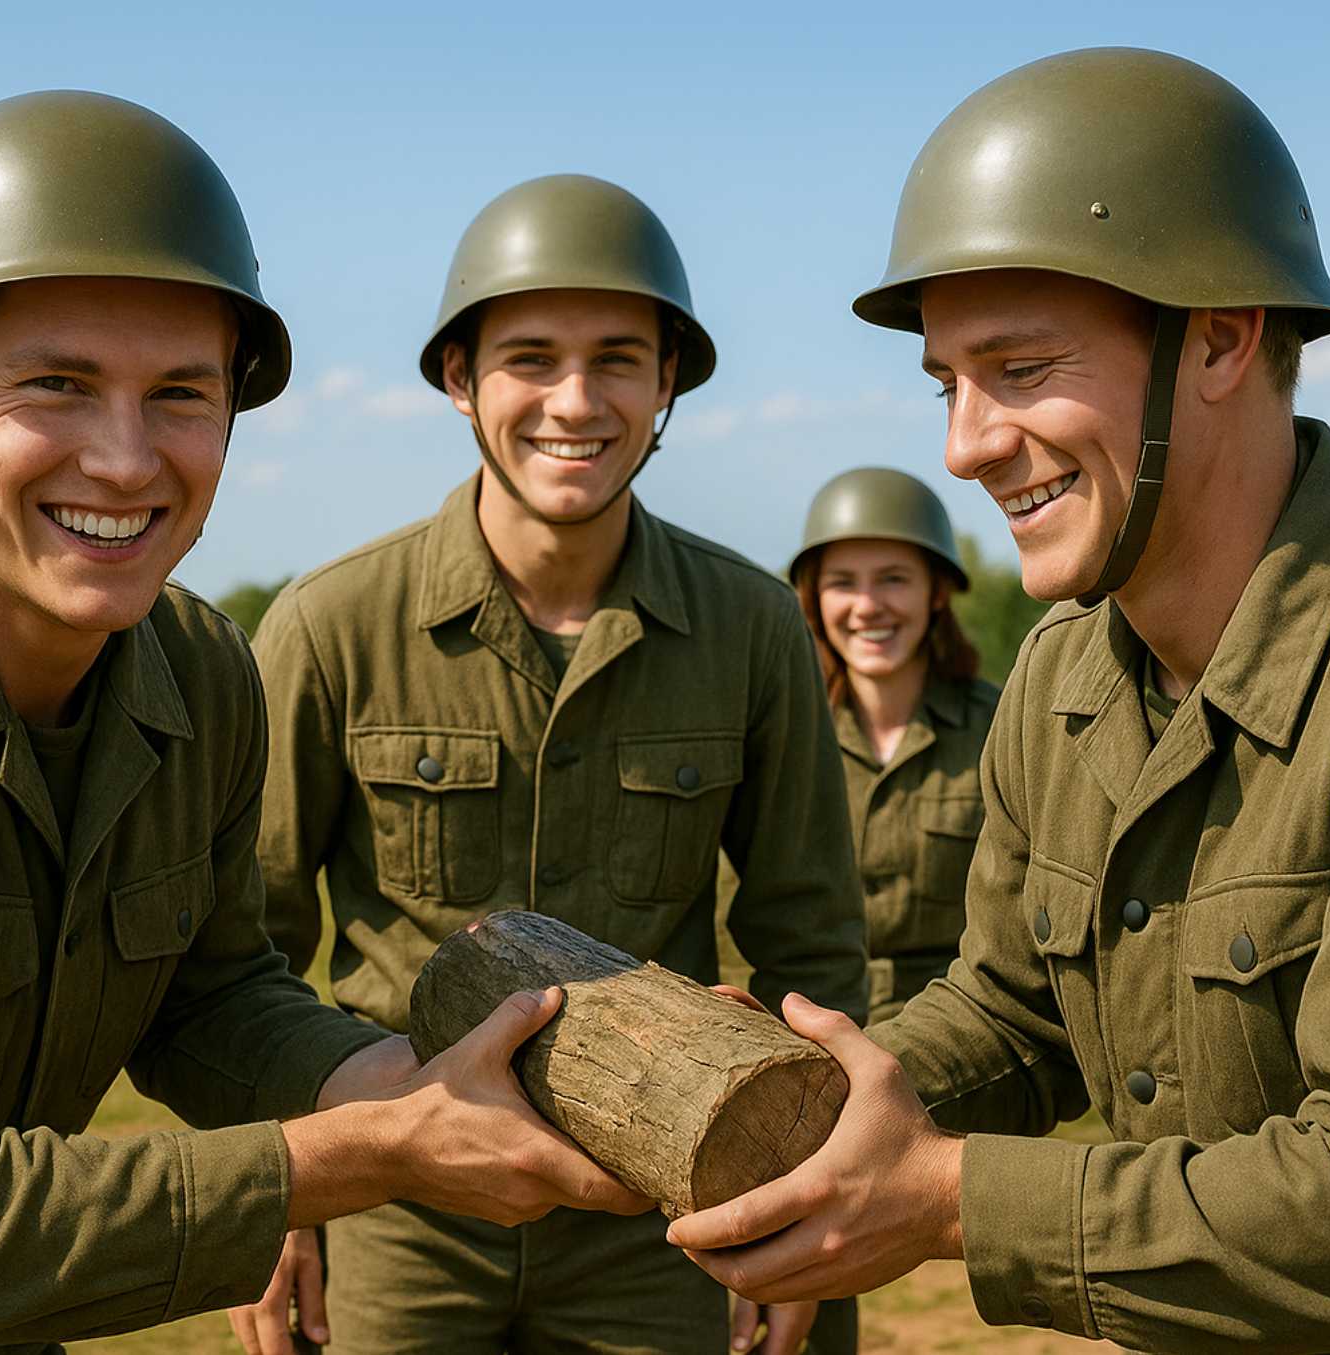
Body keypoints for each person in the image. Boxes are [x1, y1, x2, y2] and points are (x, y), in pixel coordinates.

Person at [667, 47, 1330, 1353]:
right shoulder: (1062, 676)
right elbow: (1018, 1010)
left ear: (1223, 338)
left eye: (1019, 369)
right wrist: (829, 1107)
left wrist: (943, 1198)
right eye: (946, 383)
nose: (962, 444)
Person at [0, 92, 645, 1355]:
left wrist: (396, 1081)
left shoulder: (200, 667)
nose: (125, 458)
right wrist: (363, 1153)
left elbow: (207, 997)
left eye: (180, 392)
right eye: (54, 385)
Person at [242, 174, 868, 1355]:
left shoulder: (750, 627)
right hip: (399, 1202)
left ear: (667, 382)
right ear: (457, 378)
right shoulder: (331, 625)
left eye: (619, 359)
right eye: (529, 356)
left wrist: (792, 1194)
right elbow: (252, 947)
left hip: (657, 1206)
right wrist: (280, 1197)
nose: (574, 401)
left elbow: (810, 937)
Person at [789, 468, 1000, 1026]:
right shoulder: (780, 731)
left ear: (936, 591)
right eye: (842, 582)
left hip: (955, 1040)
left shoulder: (1003, 729)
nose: (867, 606)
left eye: (892, 579)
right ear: (813, 598)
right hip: (799, 1034)